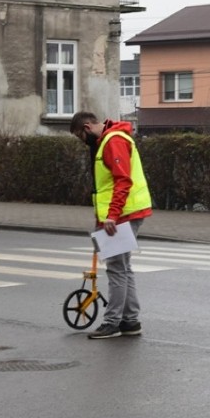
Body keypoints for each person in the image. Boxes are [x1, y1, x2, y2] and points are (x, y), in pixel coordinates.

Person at [70, 112, 152, 339]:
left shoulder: (113, 140)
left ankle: (112, 322)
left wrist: (112, 216)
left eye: (79, 135)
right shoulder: (110, 138)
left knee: (117, 269)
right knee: (124, 268)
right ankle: (130, 321)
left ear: (87, 127)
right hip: (123, 213)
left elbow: (122, 180)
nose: (81, 140)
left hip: (122, 214)